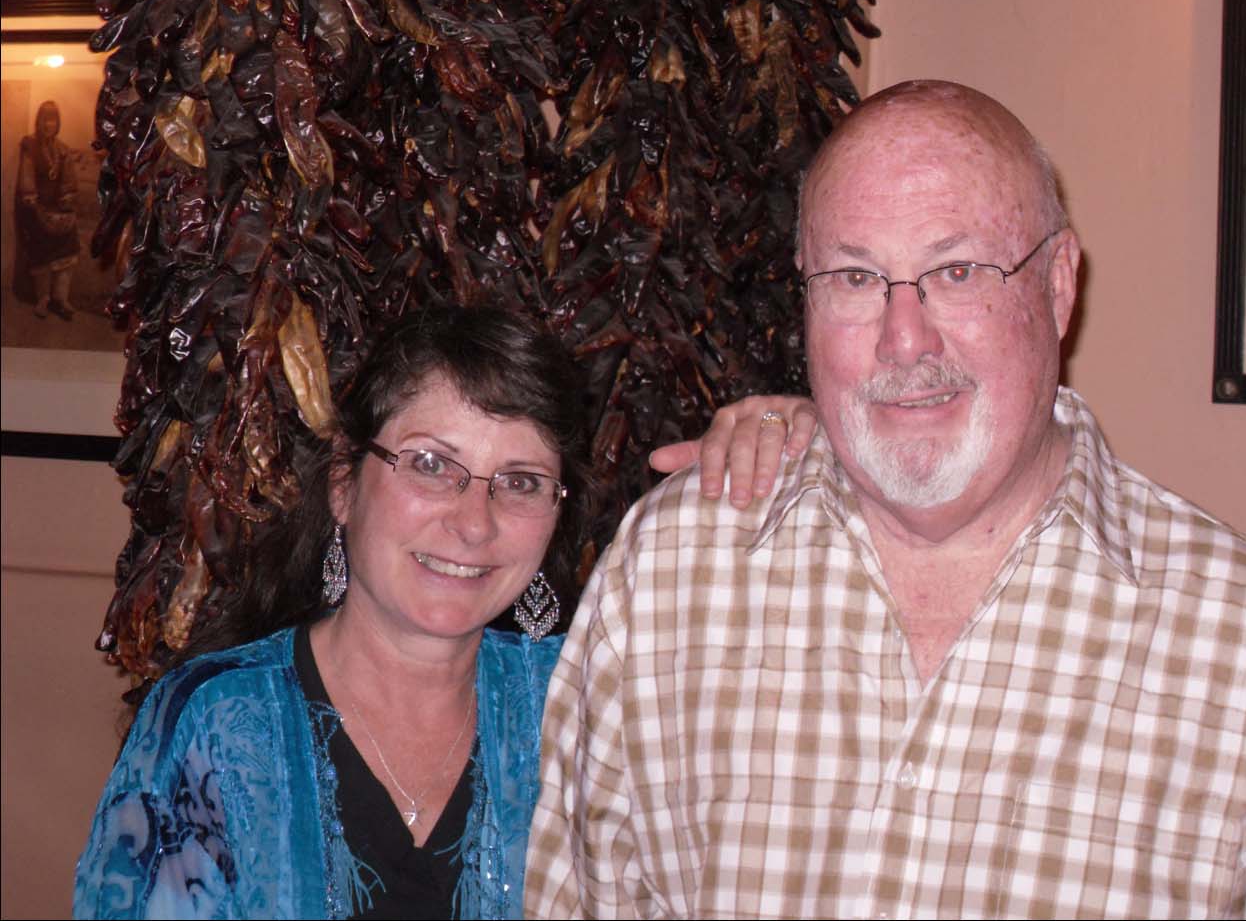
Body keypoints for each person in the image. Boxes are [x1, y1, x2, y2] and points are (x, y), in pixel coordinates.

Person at [524, 81, 1246, 919]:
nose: (904, 339)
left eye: (957, 272)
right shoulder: (670, 576)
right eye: (855, 279)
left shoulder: (1242, 645)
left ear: (1058, 285)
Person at [73, 302, 813, 920]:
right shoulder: (215, 722)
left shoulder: (586, 707)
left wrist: (810, 443)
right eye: (431, 464)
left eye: (520, 481)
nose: (474, 522)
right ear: (343, 483)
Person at [12, 100, 82, 319]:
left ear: (57, 123)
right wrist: (31, 199)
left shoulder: (63, 150)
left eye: (52, 120)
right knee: (41, 248)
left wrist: (67, 198)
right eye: (44, 120)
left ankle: (61, 298)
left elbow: (69, 181)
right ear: (38, 122)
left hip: (57, 206)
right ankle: (43, 298)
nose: (47, 125)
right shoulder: (30, 146)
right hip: (35, 207)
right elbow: (26, 177)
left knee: (69, 244)